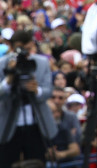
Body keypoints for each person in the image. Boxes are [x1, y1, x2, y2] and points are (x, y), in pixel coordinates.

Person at [0, 30, 58, 168]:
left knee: (37, 162)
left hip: (37, 123)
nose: (23, 52)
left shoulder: (42, 62)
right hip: (9, 124)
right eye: (19, 48)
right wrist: (9, 78)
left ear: (31, 45)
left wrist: (36, 90)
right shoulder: (2, 63)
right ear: (11, 47)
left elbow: (48, 91)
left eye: (27, 48)